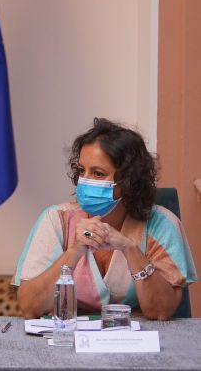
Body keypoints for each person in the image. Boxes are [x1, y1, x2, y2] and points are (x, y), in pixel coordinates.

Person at [14, 118, 197, 320]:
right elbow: (29, 307)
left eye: (98, 173)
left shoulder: (162, 224)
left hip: (136, 340)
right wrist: (74, 252)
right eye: (82, 171)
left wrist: (130, 249)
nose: (85, 181)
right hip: (67, 337)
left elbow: (161, 311)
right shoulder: (56, 219)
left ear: (128, 181)